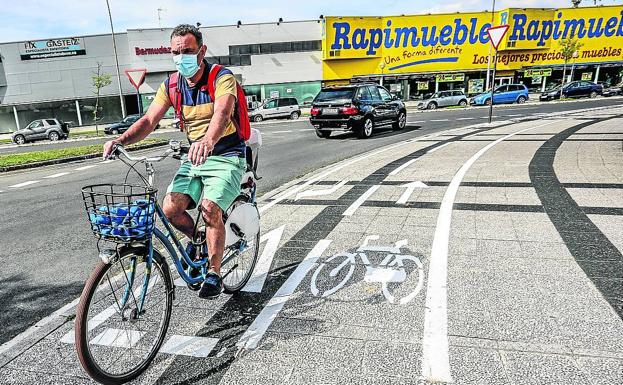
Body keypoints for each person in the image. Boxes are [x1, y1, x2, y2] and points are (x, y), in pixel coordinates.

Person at [103, 24, 246, 299]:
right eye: (176, 52)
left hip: (226, 154)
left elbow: (223, 113)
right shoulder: (171, 85)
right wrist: (121, 141)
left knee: (209, 208)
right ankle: (200, 239)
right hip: (195, 156)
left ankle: (214, 272)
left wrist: (207, 140)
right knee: (170, 209)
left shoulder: (221, 77)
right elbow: (148, 120)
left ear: (202, 51)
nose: (182, 57)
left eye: (188, 51)